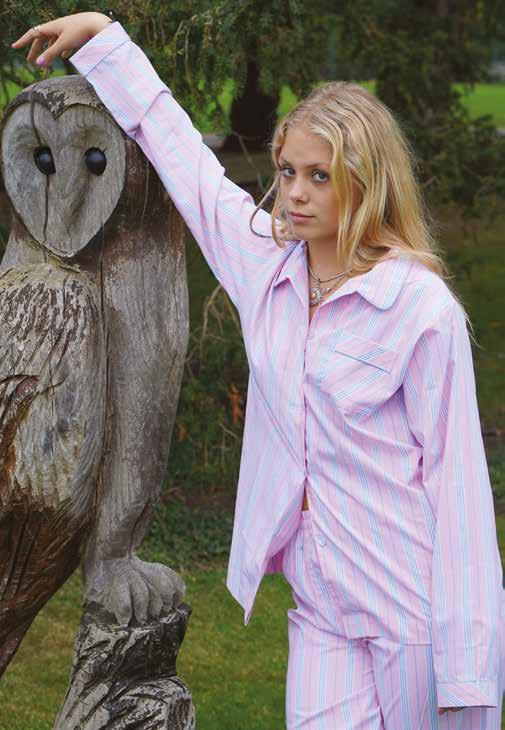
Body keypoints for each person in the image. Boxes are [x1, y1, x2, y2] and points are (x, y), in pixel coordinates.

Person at [10, 12, 505, 728]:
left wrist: (467, 672)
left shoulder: (419, 308)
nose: (295, 192)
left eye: (319, 177)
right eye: (287, 172)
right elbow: (189, 164)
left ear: (366, 183)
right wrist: (106, 40)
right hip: (320, 611)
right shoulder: (267, 267)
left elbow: (458, 495)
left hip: (411, 614)